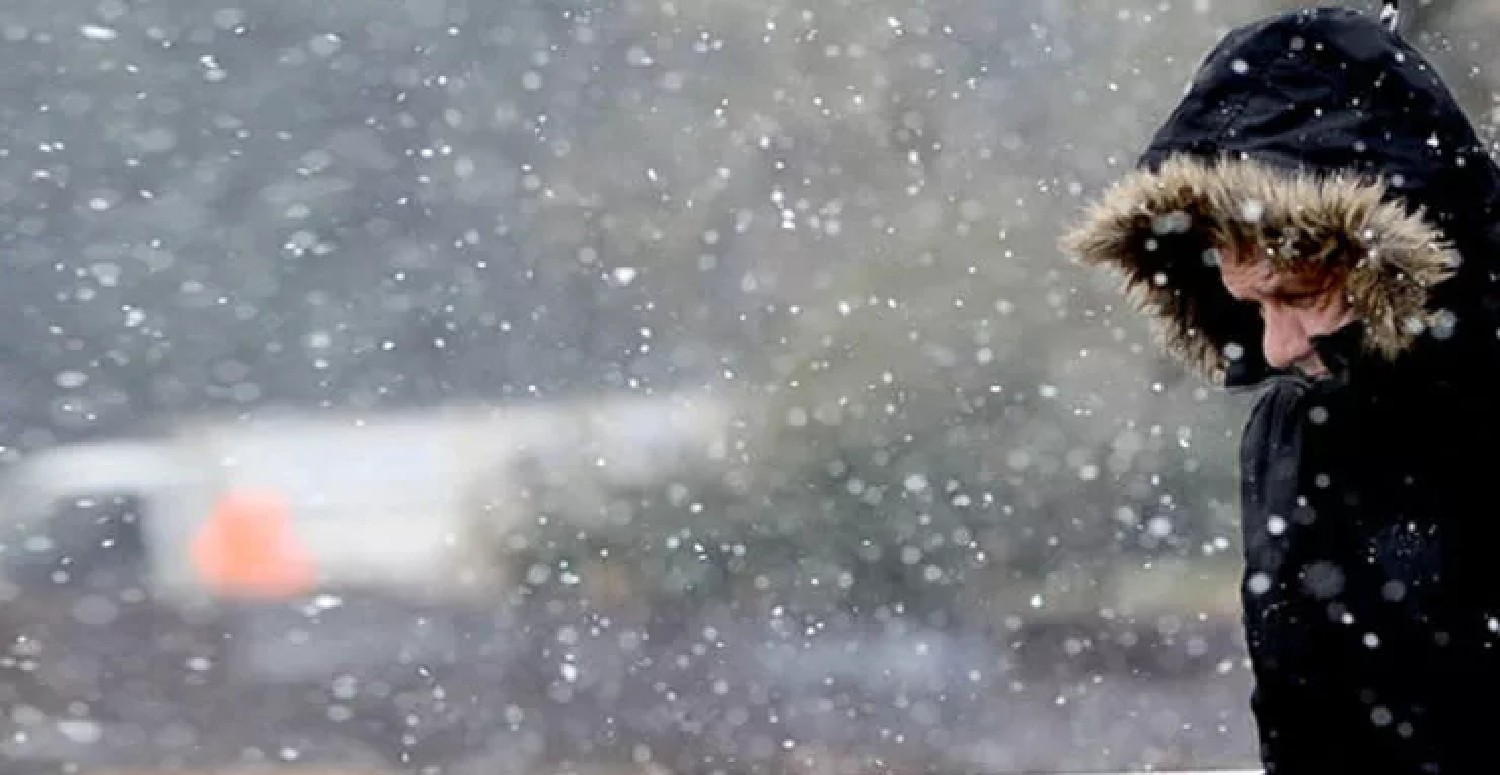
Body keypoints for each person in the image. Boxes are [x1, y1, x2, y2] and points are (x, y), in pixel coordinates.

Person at [1061, 6, 1500, 773]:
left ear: (1381, 257)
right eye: (1251, 304)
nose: (1275, 346)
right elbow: (1304, 732)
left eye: (1295, 295)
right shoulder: (1292, 437)